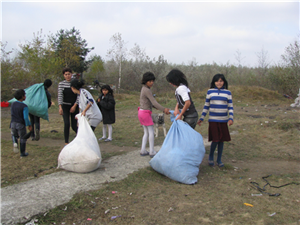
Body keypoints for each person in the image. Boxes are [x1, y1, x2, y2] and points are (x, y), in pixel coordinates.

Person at [197, 74, 234, 167]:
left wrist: (231, 118)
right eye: (217, 81)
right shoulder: (210, 92)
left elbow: (230, 107)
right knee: (215, 139)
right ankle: (210, 156)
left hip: (223, 120)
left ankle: (219, 159)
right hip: (213, 119)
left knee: (221, 140)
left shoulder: (228, 93)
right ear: (214, 82)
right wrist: (202, 117)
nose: (219, 83)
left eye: (221, 81)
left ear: (224, 82)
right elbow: (206, 106)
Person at [138, 72, 170, 157]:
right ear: (145, 81)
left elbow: (146, 101)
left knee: (146, 132)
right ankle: (152, 151)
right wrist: (164, 109)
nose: (151, 83)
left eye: (152, 81)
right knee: (151, 132)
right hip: (145, 113)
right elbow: (154, 102)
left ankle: (143, 150)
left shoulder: (143, 88)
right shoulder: (147, 90)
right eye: (149, 81)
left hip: (141, 112)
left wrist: (152, 106)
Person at [58, 68, 79, 145]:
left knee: (74, 125)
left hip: (74, 106)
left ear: (71, 74)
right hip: (65, 106)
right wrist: (60, 107)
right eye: (66, 74)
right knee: (66, 123)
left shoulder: (75, 83)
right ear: (64, 75)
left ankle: (80, 138)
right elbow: (60, 96)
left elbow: (79, 95)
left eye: (69, 74)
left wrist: (75, 105)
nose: (67, 76)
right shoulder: (61, 84)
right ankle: (66, 141)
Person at [10, 89, 32, 157]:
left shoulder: (13, 104)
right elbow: (25, 117)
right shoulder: (24, 106)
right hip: (20, 124)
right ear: (22, 96)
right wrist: (29, 125)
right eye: (24, 95)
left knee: (14, 134)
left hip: (13, 123)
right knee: (23, 138)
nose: (25, 96)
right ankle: (22, 153)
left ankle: (15, 142)